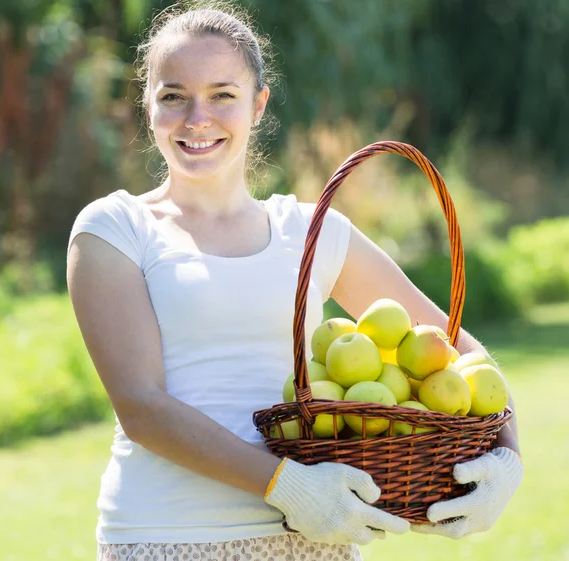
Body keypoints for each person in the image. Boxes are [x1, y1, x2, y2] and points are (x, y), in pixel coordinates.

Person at [66, 2, 523, 560]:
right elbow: (141, 406)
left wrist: (507, 460)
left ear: (258, 105)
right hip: (169, 535)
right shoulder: (113, 229)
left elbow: (454, 348)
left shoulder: (312, 231)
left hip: (316, 536)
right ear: (148, 106)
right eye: (173, 96)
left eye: (222, 95)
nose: (197, 118)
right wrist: (285, 484)